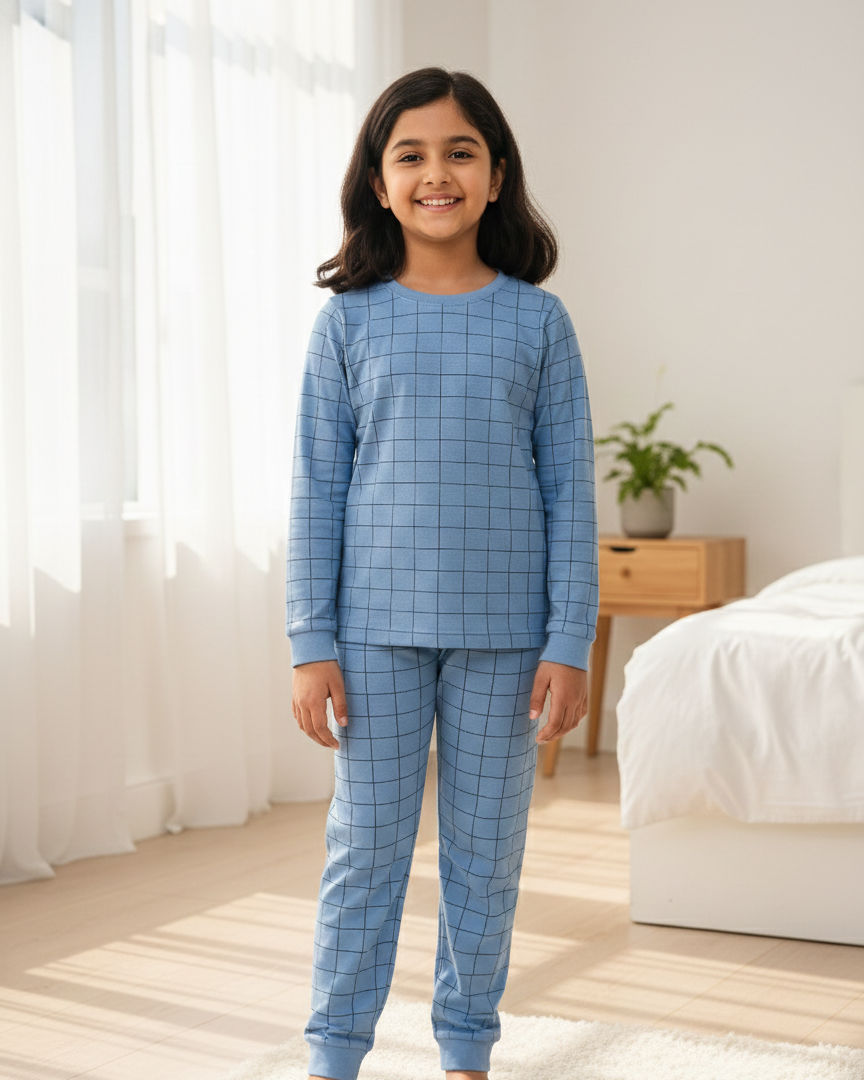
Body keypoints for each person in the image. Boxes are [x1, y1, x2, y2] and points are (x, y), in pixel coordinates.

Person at [287, 66, 599, 1080]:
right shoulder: (347, 324)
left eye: (460, 151)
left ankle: (467, 1049)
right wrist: (310, 646)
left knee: (485, 861)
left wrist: (569, 642)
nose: (436, 173)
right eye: (410, 155)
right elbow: (314, 493)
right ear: (379, 184)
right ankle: (336, 1053)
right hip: (372, 636)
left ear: (497, 175)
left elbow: (571, 498)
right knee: (365, 850)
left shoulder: (538, 325)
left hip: (505, 641)